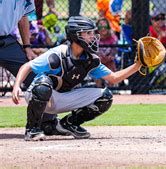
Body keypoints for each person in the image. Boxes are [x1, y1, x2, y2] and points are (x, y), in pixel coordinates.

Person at [11, 15, 143, 141]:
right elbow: (27, 66)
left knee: (106, 96)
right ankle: (32, 129)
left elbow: (113, 78)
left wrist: (138, 65)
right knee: (43, 85)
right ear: (76, 35)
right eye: (88, 33)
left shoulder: (90, 59)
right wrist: (17, 86)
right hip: (41, 95)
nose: (93, 37)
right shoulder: (59, 53)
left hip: (64, 98)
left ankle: (67, 124)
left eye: (92, 33)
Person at [0, 0, 37, 89]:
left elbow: (23, 17)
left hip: (8, 42)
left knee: (37, 83)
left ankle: (48, 112)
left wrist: (27, 47)